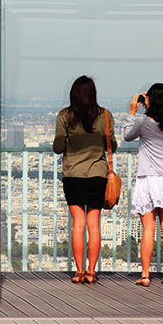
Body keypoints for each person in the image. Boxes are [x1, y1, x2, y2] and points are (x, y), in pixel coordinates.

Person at [53, 76, 116, 285]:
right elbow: (112, 145)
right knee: (94, 225)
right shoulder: (105, 116)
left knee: (78, 225)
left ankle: (79, 271)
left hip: (73, 174)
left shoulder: (65, 116)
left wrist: (68, 136)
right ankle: (91, 271)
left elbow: (58, 147)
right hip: (98, 174)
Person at [123, 83, 163, 287]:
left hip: (148, 178)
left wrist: (132, 111)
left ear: (151, 100)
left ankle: (146, 274)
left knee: (148, 229)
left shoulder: (143, 122)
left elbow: (127, 136)